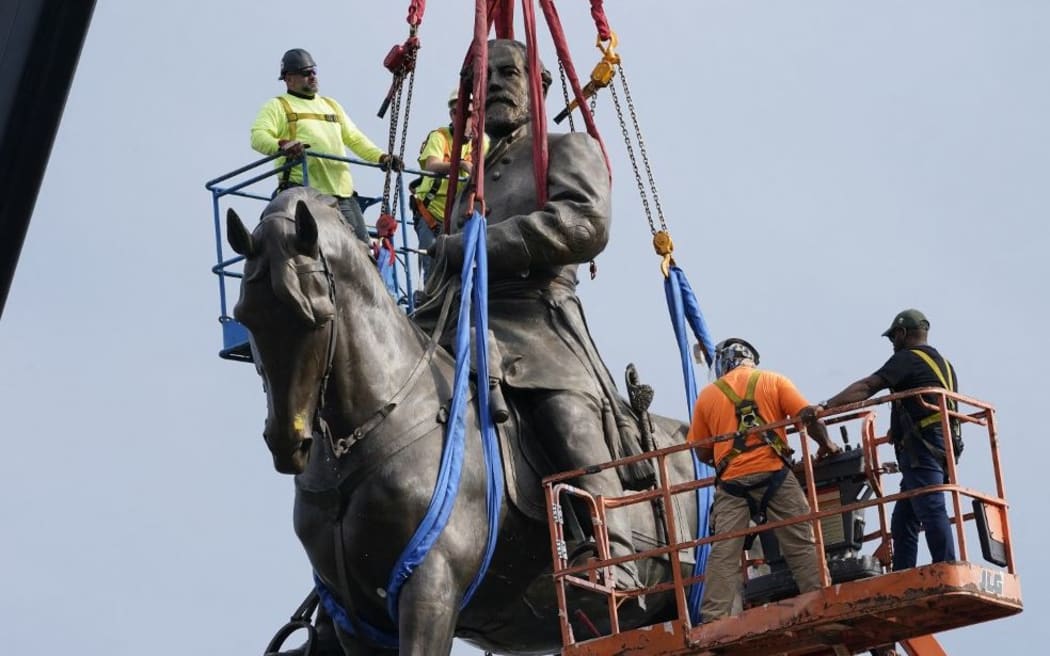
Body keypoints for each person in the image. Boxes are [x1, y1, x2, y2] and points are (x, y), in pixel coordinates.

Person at [420, 39, 643, 590]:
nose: (491, 84)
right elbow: (444, 266)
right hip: (458, 322)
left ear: (539, 85)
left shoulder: (568, 148)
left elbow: (586, 223)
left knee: (561, 413)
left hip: (538, 321)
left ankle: (612, 547)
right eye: (479, 78)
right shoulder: (464, 181)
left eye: (506, 72)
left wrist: (479, 244)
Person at [687, 338, 840, 623]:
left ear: (725, 362)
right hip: (775, 476)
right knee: (801, 541)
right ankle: (821, 602)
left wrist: (726, 455)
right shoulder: (774, 381)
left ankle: (713, 621)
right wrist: (828, 445)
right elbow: (808, 416)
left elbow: (701, 450)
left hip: (732, 485)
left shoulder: (708, 396)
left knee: (724, 554)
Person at [812, 309, 958, 571]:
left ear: (902, 333)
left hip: (922, 447)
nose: (892, 343)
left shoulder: (907, 359)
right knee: (904, 519)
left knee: (930, 505)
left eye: (893, 337)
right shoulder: (944, 364)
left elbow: (868, 387)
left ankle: (945, 567)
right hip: (943, 445)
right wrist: (895, 430)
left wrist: (826, 406)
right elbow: (922, 403)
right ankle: (903, 573)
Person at [250, 48, 402, 243]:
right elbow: (258, 136)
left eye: (314, 71)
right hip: (303, 192)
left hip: (342, 195)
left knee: (363, 252)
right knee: (309, 251)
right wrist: (282, 145)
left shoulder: (330, 105)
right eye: (306, 73)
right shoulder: (278, 106)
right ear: (289, 79)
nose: (312, 76)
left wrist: (382, 157)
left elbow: (354, 138)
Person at [410, 89, 489, 282]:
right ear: (452, 115)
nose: (463, 118)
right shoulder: (440, 137)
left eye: (469, 114)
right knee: (433, 267)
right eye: (457, 112)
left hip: (459, 217)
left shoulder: (483, 143)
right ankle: (429, 306)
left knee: (461, 269)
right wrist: (460, 164)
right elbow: (432, 165)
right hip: (431, 215)